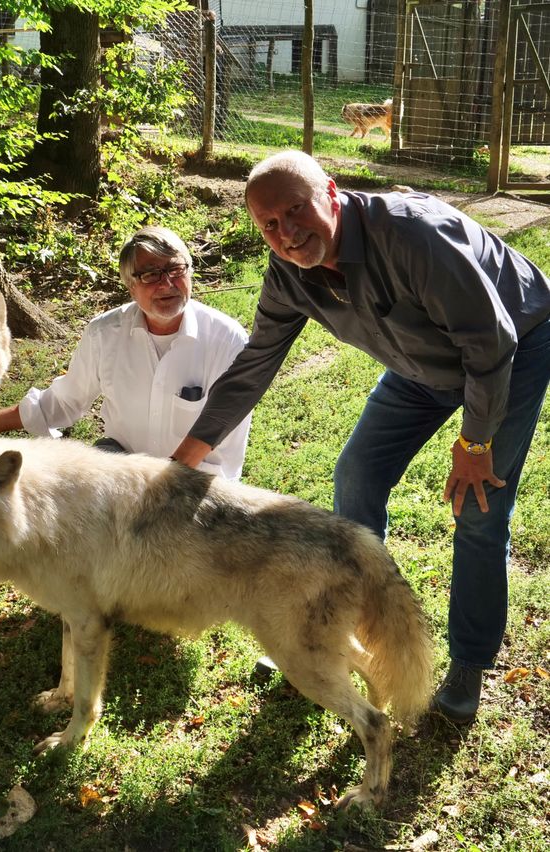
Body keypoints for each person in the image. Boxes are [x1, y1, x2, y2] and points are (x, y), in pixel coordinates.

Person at [172, 150, 550, 724]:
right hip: (419, 364)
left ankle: (468, 663)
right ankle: (342, 634)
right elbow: (255, 365)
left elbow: (489, 344)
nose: (288, 234)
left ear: (330, 191)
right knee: (357, 475)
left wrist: (475, 445)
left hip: (511, 351)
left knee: (480, 505)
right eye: (269, 225)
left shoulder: (411, 235)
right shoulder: (290, 274)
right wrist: (184, 461)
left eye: (296, 211)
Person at [0, 225, 252, 480]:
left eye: (175, 269)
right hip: (123, 472)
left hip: (199, 481)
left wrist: (163, 489)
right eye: (150, 274)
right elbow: (63, 402)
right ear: (130, 286)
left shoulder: (226, 340)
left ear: (190, 272)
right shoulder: (104, 334)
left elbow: (225, 435)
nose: (166, 284)